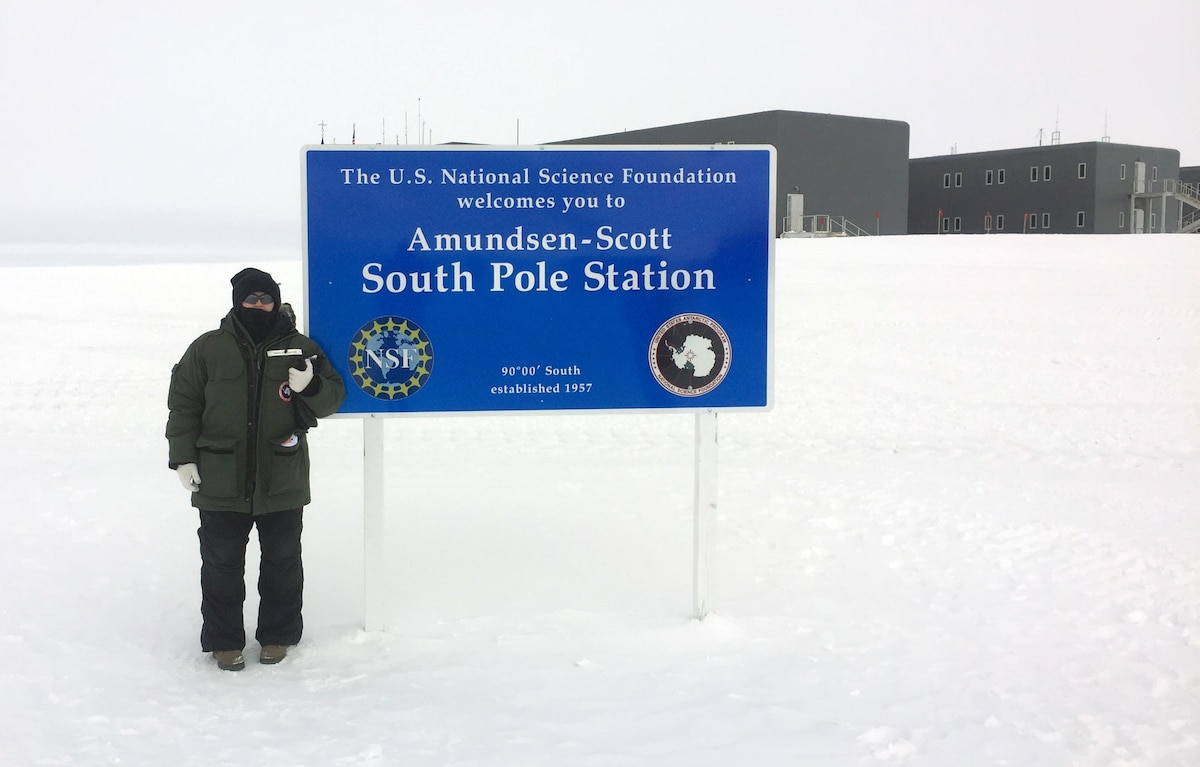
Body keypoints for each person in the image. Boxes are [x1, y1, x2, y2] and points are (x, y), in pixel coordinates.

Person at [166, 267, 345, 671]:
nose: (259, 305)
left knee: (282, 562)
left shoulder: (302, 348)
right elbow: (184, 404)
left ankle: (277, 636)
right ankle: (224, 641)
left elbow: (333, 397)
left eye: (266, 298)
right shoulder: (207, 349)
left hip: (281, 476)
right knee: (221, 566)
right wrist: (183, 457)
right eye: (251, 298)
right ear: (237, 302)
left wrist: (310, 387)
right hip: (219, 478)